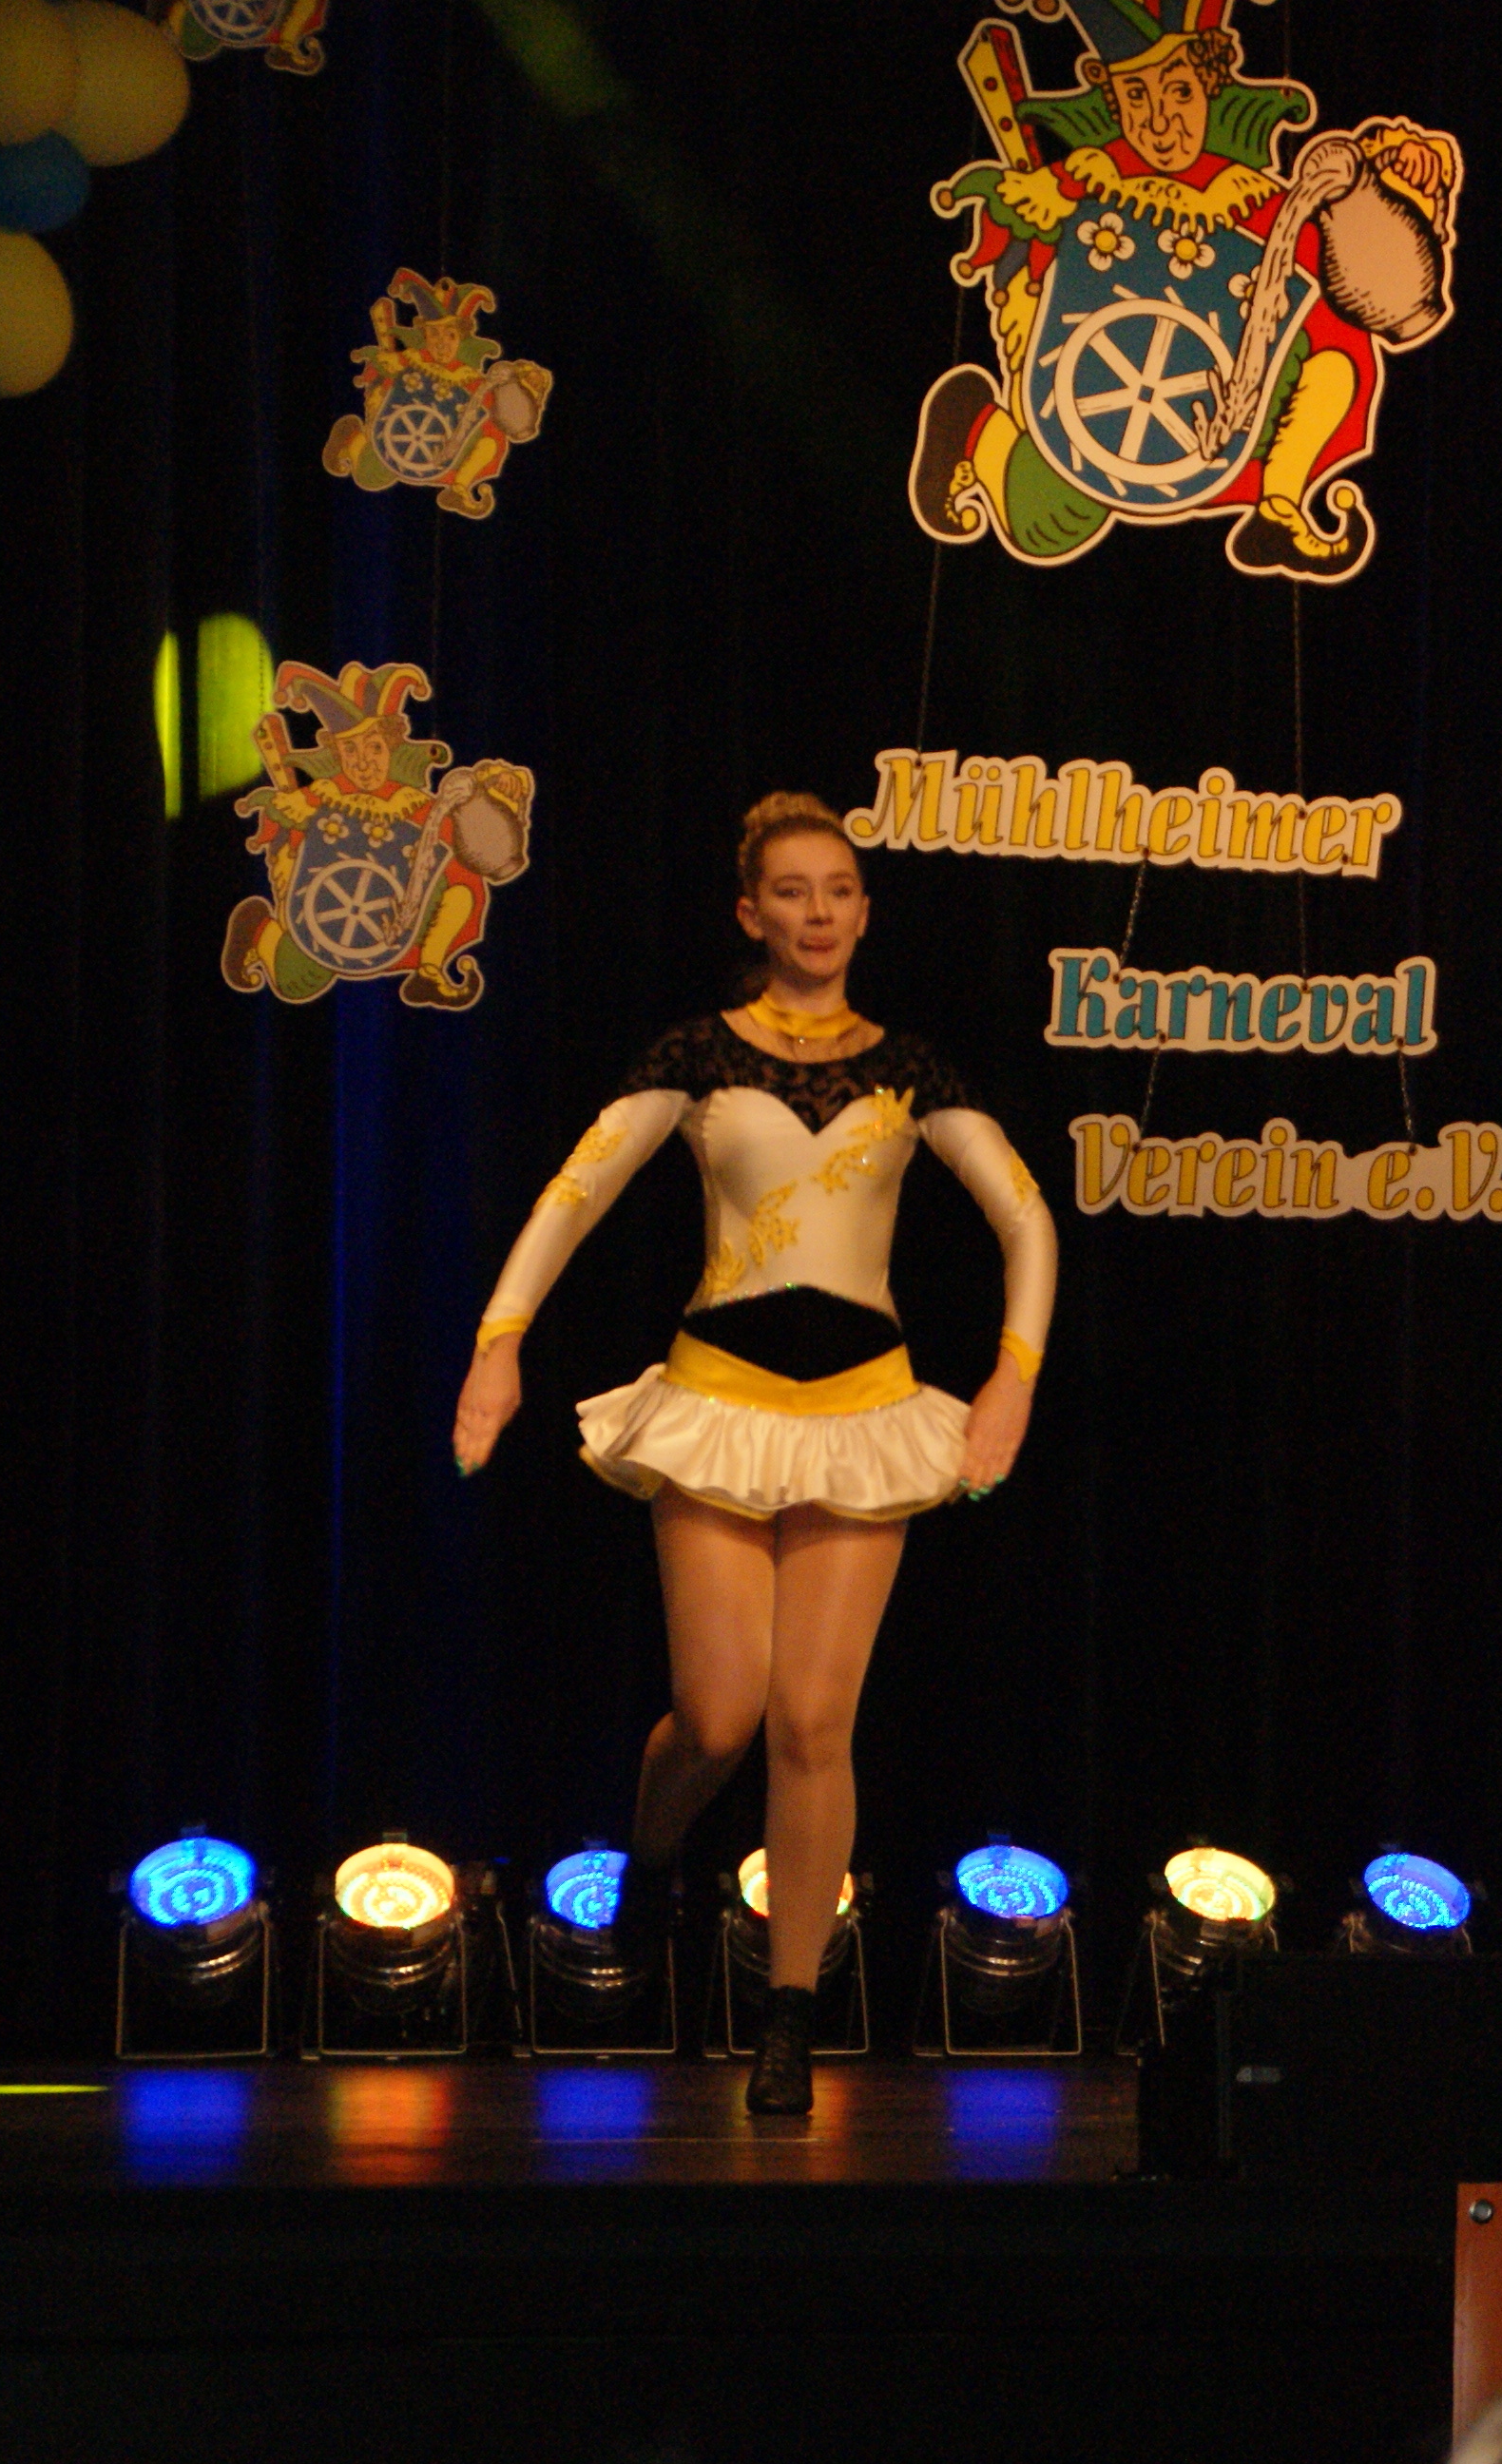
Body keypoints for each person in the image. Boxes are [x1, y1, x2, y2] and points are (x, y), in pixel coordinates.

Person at [452, 793, 1058, 2114]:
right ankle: (653, 1853)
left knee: (813, 1720)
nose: (817, 911)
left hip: (862, 1414)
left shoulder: (911, 1069)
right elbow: (573, 1193)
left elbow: (1025, 1216)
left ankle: (790, 2018)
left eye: (837, 889)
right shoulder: (696, 1055)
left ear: (864, 911)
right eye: (792, 890)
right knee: (720, 1716)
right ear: (752, 912)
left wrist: (1012, 1378)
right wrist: (500, 1343)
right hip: (720, 1404)